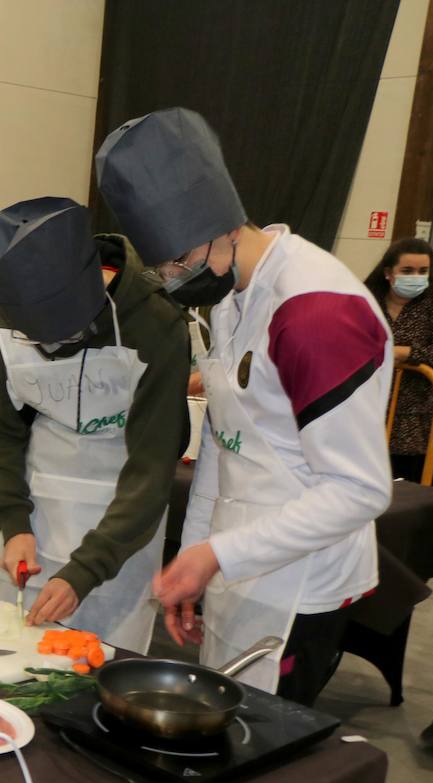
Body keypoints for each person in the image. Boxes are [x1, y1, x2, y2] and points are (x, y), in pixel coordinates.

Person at [97, 108, 393, 704]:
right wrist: (196, 559)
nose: (172, 278)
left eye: (177, 262)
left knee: (265, 745)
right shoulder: (231, 295)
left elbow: (360, 491)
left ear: (222, 223)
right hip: (238, 559)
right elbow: (224, 442)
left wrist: (218, 554)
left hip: (300, 582)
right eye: (161, 268)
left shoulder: (316, 313)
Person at [0, 198, 189, 653]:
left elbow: (151, 469)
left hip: (121, 524)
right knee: (10, 663)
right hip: (36, 514)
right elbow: (2, 427)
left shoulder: (155, 324)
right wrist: (14, 521)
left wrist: (87, 570)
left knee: (97, 671)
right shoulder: (11, 311)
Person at [363, 238, 433, 482]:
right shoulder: (367, 300)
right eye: (408, 271)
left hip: (418, 411)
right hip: (369, 405)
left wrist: (402, 353)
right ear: (389, 272)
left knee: (407, 486)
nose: (416, 277)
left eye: (423, 271)